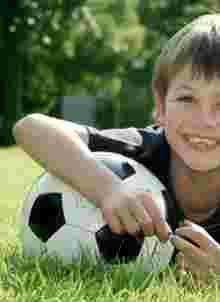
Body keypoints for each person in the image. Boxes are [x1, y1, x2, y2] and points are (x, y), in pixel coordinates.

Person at [13, 14, 220, 281]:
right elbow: (30, 128)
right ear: (160, 106)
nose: (204, 121)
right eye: (187, 98)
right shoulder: (140, 151)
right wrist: (108, 190)